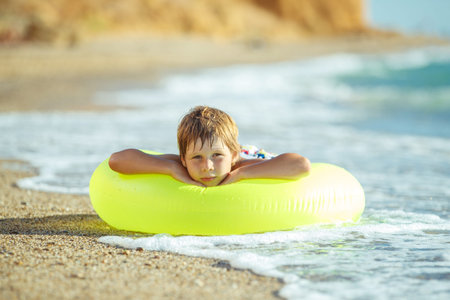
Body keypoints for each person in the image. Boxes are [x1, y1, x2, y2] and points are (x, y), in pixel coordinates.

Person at [108, 106, 310, 187]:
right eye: (196, 157)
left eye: (217, 156)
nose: (207, 166)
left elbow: (301, 165)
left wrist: (241, 174)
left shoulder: (240, 165)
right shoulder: (179, 164)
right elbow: (117, 160)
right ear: (183, 158)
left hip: (252, 153)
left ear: (231, 155)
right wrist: (170, 168)